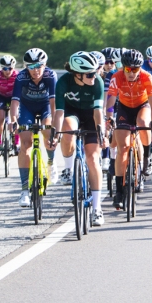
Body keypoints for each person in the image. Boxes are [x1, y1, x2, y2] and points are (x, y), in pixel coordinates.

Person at [53, 52, 106, 226]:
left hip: (92, 115)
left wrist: (101, 133)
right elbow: (59, 113)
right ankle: (68, 169)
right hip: (72, 113)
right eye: (90, 74)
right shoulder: (63, 83)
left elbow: (98, 113)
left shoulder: (97, 81)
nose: (94, 76)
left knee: (92, 158)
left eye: (94, 72)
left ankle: (97, 209)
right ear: (77, 74)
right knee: (67, 130)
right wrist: (54, 133)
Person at [106, 49, 152, 209]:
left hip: (143, 105)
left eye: (135, 69)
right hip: (124, 108)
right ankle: (120, 192)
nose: (131, 73)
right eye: (128, 69)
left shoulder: (146, 77)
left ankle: (147, 157)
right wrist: (109, 117)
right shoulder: (116, 77)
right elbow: (111, 100)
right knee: (122, 148)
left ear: (140, 68)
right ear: (123, 67)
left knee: (143, 121)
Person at [9, 48, 57, 207]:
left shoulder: (51, 75)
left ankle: (51, 161)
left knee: (48, 132)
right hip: (27, 107)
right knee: (25, 144)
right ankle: (24, 190)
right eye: (31, 66)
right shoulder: (21, 76)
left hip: (45, 106)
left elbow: (53, 103)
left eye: (39, 66)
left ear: (45, 65)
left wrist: (55, 124)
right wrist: (13, 120)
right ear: (26, 66)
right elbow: (15, 102)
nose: (35, 70)